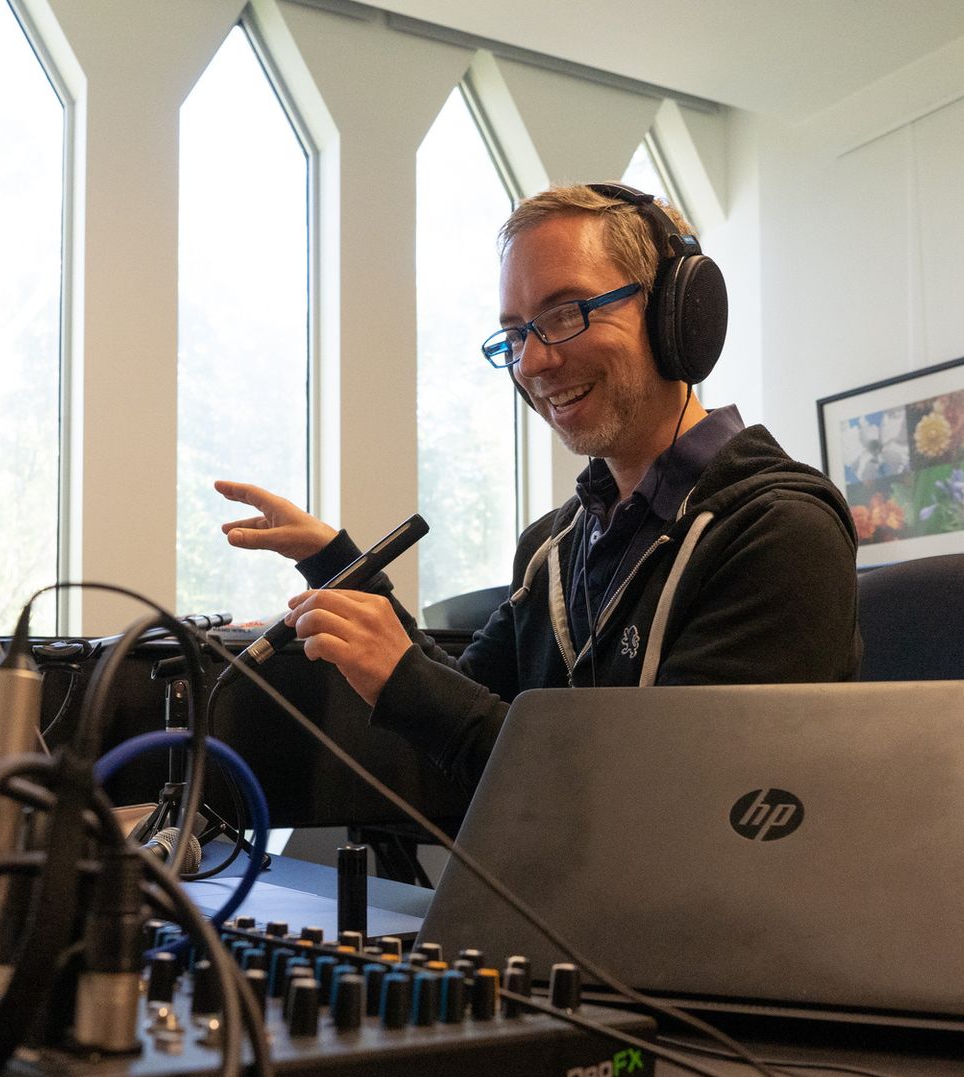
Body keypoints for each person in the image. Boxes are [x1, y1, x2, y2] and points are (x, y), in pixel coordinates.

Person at [217, 184, 860, 793]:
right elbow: (462, 719)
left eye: (564, 313)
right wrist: (337, 563)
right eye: (517, 333)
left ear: (677, 313)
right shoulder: (555, 547)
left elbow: (672, 807)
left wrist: (410, 683)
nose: (531, 362)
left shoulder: (778, 533)